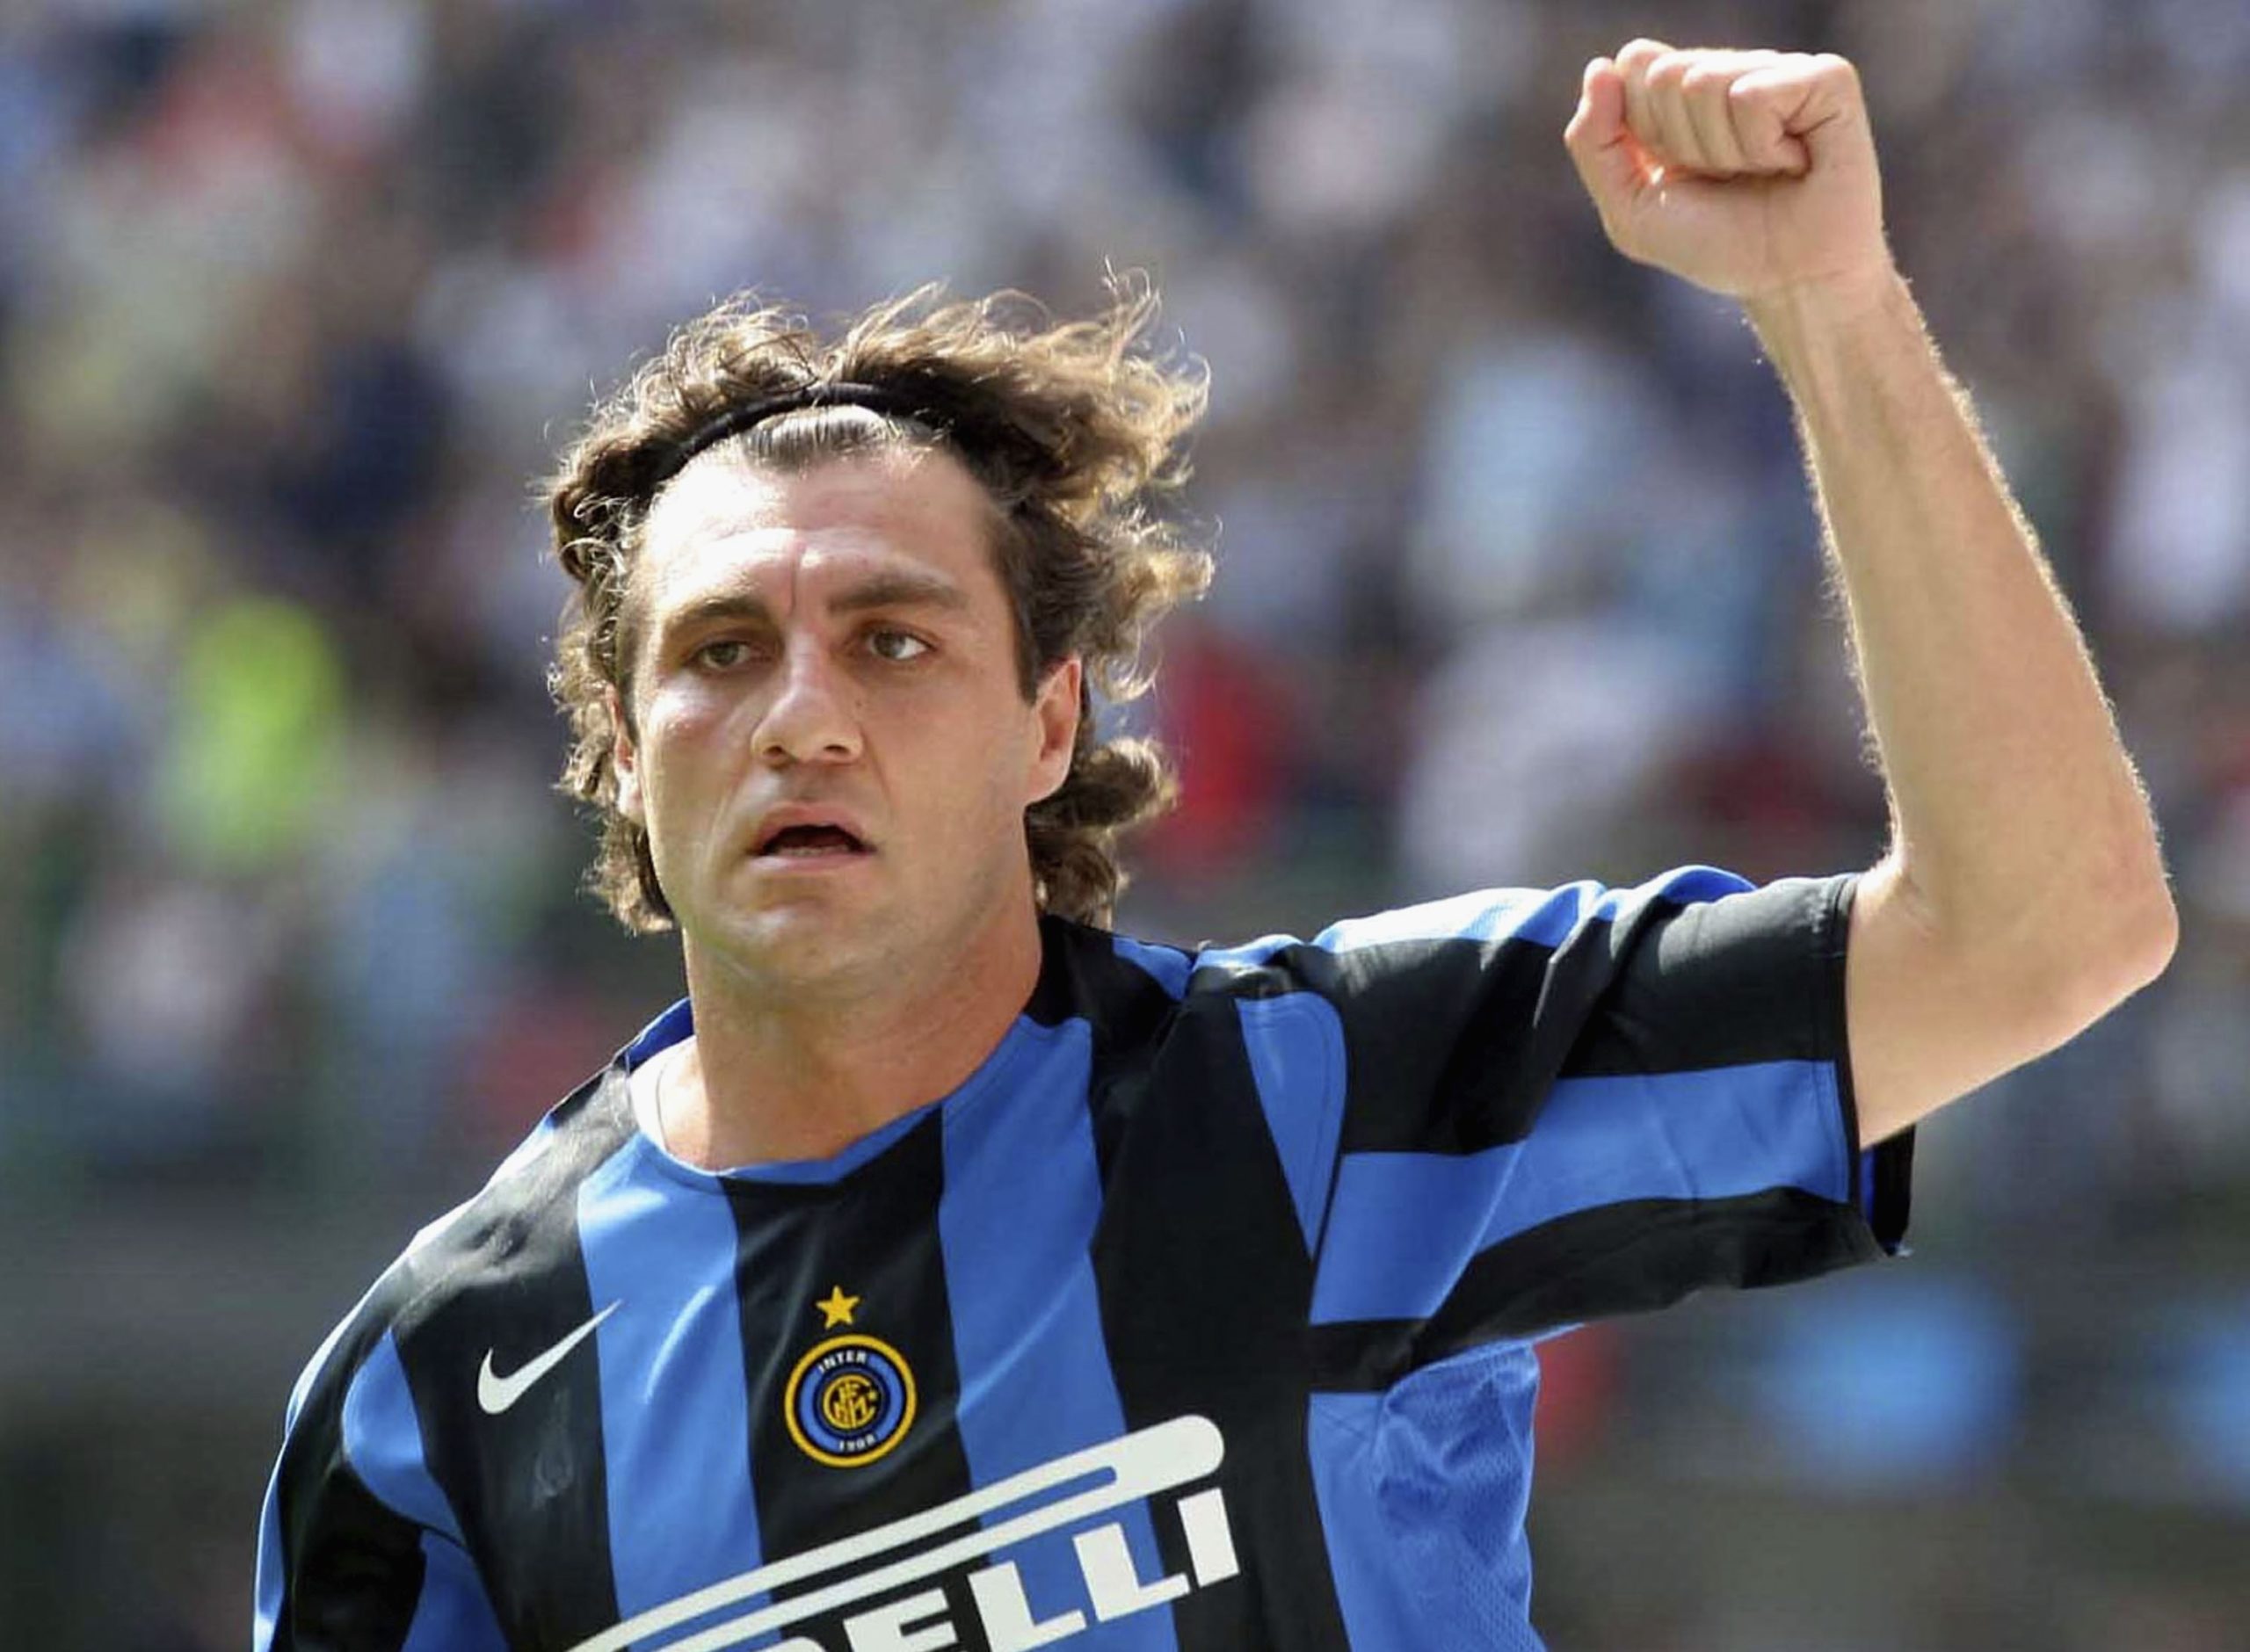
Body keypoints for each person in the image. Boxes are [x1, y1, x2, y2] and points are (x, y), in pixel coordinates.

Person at [252, 40, 2174, 1652]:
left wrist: (1827, 305)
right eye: (720, 652)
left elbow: (2040, 929)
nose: (803, 715)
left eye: (895, 640)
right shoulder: (433, 1393)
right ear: (618, 750)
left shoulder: (1340, 1104)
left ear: (1049, 724)